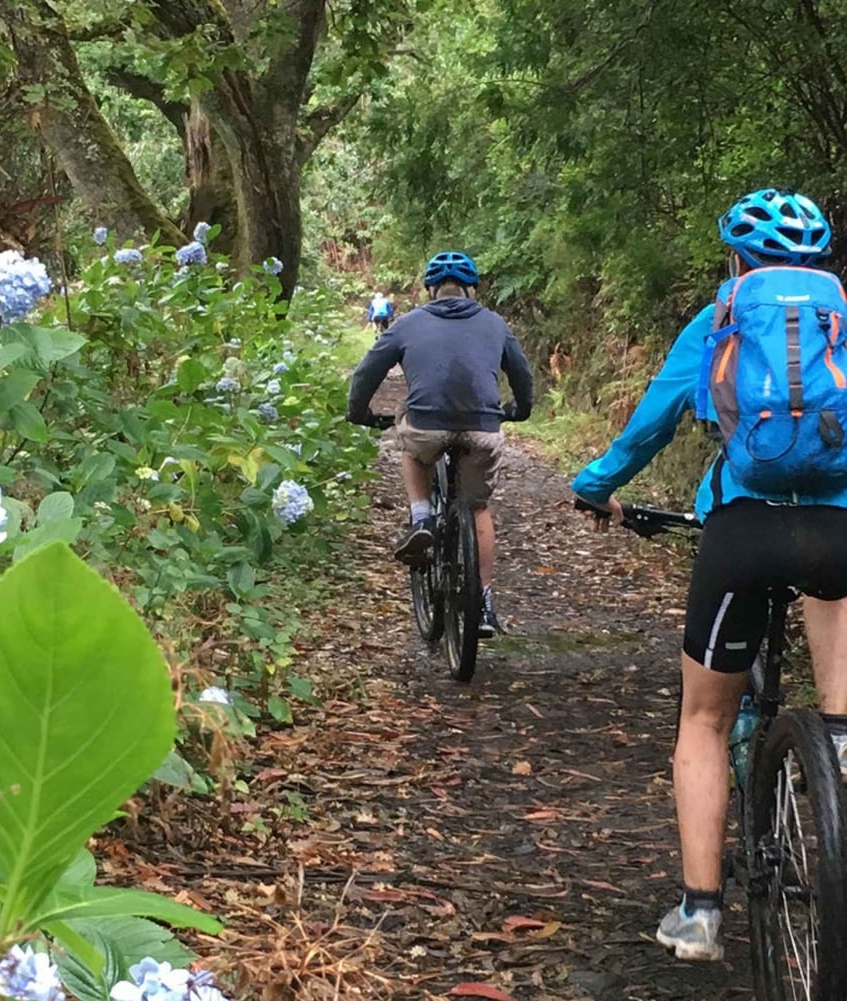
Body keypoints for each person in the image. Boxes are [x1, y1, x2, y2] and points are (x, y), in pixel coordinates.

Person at [571, 187, 847, 963]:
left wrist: (595, 485)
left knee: (702, 721)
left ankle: (699, 914)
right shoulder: (841, 320)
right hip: (839, 532)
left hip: (742, 533)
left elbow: (650, 424)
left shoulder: (721, 317)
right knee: (840, 672)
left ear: (737, 258)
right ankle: (838, 745)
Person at [348, 251, 535, 636]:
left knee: (412, 444)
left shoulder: (407, 324)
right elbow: (522, 375)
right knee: (477, 507)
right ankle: (484, 604)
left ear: (430, 290)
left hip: (427, 426)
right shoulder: (495, 323)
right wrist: (519, 410)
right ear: (472, 289)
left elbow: (366, 373)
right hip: (482, 427)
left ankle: (421, 518)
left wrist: (359, 413)